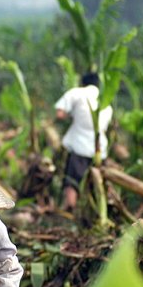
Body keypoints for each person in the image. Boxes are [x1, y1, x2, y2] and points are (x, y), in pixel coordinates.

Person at [55, 72, 113, 211]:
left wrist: (73, 115)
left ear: (82, 82)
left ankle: (70, 208)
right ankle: (97, 211)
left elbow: (60, 114)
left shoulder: (77, 93)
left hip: (79, 145)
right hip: (100, 149)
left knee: (72, 180)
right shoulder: (106, 99)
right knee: (96, 182)